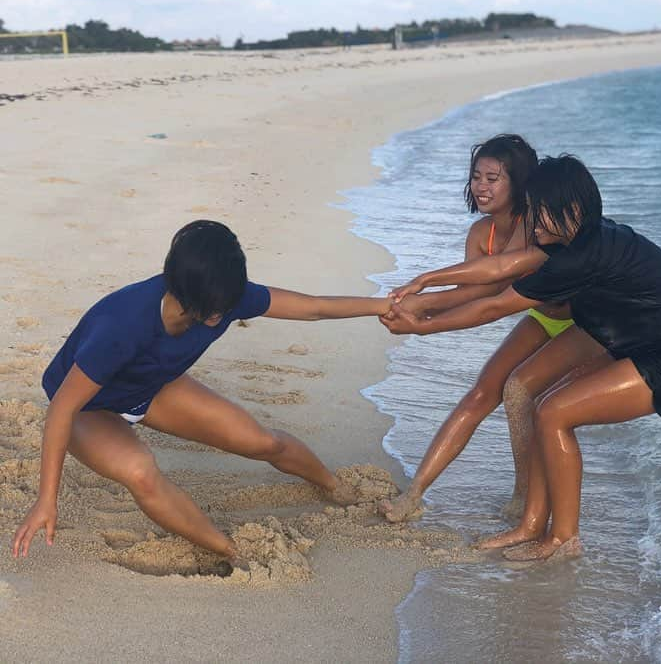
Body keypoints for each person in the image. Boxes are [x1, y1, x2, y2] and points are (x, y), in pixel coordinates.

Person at [382, 155, 661, 561]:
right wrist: (425, 280)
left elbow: (493, 307)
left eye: (539, 214)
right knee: (541, 405)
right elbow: (500, 266)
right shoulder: (581, 239)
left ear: (572, 210)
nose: (533, 224)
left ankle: (563, 540)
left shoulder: (582, 256)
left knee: (555, 412)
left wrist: (419, 327)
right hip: (633, 342)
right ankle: (530, 525)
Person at [11, 220, 392, 566]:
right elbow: (62, 406)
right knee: (140, 471)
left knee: (261, 441)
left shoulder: (223, 293)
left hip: (149, 386)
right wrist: (47, 499)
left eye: (226, 307)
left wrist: (385, 306)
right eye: (212, 311)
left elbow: (314, 308)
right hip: (89, 406)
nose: (219, 317)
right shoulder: (122, 324)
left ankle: (332, 485)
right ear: (182, 289)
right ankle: (231, 550)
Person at [377, 134, 575, 523]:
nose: (481, 186)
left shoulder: (535, 224)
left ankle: (527, 498)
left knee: (521, 395)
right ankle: (414, 493)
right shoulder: (480, 234)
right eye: (476, 177)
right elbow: (472, 294)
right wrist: (416, 312)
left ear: (517, 182)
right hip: (542, 317)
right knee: (481, 393)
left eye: (493, 178)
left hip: (581, 323)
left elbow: (498, 285)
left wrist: (423, 304)